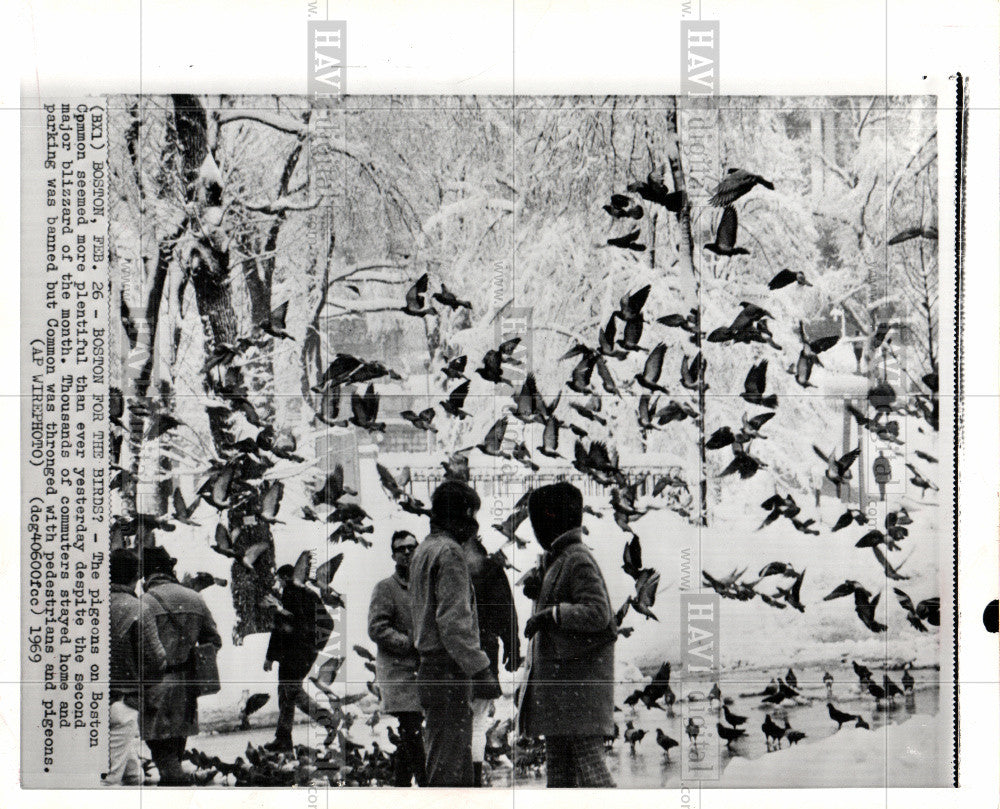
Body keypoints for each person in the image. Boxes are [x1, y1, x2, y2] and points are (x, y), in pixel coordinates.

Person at [517, 482, 617, 787]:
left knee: (592, 775)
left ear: (549, 519)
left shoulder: (576, 559)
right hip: (563, 697)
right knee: (560, 778)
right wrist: (541, 588)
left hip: (578, 696)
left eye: (535, 522)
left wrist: (551, 614)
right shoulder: (560, 560)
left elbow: (599, 614)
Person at [408, 480, 496, 786]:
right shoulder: (450, 553)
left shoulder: (423, 550)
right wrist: (481, 668)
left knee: (441, 758)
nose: (474, 526)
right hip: (448, 670)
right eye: (470, 517)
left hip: (429, 669)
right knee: (451, 767)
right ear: (460, 516)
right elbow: (454, 624)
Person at [140, 545, 222, 786]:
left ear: (147, 573)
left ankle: (177, 783)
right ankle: (176, 782)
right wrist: (191, 657)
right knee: (177, 742)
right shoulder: (195, 598)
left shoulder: (145, 602)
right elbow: (214, 640)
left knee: (158, 743)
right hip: (187, 683)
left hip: (155, 683)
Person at [368, 530, 426, 787]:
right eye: (400, 548)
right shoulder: (385, 588)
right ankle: (428, 787)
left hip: (422, 670)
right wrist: (410, 643)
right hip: (399, 673)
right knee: (412, 727)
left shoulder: (425, 584)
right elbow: (376, 628)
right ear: (393, 555)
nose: (406, 552)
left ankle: (400, 787)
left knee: (408, 732)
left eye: (411, 547)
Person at [104, 548, 166, 786]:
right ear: (137, 576)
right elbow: (156, 658)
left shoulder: (86, 603)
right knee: (107, 781)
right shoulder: (137, 608)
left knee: (134, 776)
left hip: (88, 700)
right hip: (123, 701)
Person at [463, 531, 519, 785]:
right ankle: (474, 784)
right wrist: (512, 646)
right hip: (485, 651)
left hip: (449, 655)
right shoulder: (491, 568)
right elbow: (506, 609)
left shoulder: (446, 563)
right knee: (477, 722)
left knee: (461, 724)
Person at [264, 563, 338, 751]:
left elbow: (281, 627)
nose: (279, 583)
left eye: (280, 579)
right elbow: (328, 623)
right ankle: (285, 737)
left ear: (286, 578)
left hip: (292, 654)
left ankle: (327, 722)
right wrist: (314, 646)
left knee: (290, 692)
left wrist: (270, 657)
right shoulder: (310, 594)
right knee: (289, 692)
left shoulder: (290, 594)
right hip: (304, 654)